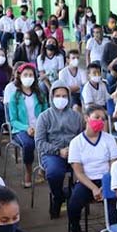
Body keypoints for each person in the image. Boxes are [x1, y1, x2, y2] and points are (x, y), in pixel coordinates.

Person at [67, 104, 117, 232]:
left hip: (108, 180)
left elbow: (114, 164)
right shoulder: (76, 143)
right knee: (73, 205)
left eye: (103, 119)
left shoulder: (109, 139)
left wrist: (105, 185)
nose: (100, 121)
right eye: (96, 117)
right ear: (86, 118)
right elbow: (78, 172)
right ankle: (76, 229)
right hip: (87, 181)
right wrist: (94, 188)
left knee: (113, 210)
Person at [36, 80, 84, 219]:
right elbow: (39, 142)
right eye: (58, 96)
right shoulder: (44, 117)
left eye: (64, 96)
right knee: (54, 173)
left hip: (73, 152)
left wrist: (72, 148)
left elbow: (81, 137)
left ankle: (77, 200)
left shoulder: (76, 116)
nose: (61, 99)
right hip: (52, 153)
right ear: (52, 97)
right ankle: (59, 197)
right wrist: (58, 151)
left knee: (89, 170)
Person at [8, 64, 47, 187]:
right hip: (21, 129)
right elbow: (13, 120)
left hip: (39, 127)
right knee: (28, 144)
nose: (28, 77)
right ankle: (28, 171)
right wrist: (27, 128)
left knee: (51, 139)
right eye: (25, 75)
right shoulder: (15, 96)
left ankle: (44, 168)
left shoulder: (40, 94)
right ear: (19, 77)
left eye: (31, 75)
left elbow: (46, 114)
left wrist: (39, 128)